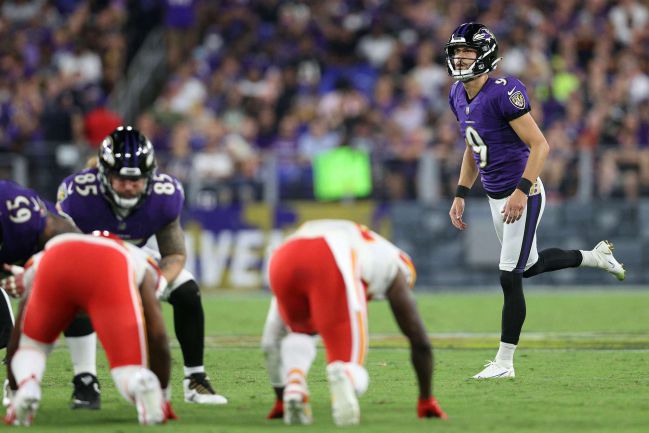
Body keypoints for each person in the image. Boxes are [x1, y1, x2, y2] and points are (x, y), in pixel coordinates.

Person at [445, 23, 626, 379]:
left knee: (509, 277)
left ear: (485, 55)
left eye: (467, 51)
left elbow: (541, 145)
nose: (460, 57)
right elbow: (472, 146)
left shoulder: (503, 91)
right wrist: (461, 192)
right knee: (526, 266)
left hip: (522, 193)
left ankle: (504, 363)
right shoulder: (456, 94)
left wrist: (521, 190)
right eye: (456, 51)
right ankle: (595, 257)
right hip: (497, 196)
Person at [56, 126, 227, 405]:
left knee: (187, 290)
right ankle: (85, 381)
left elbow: (173, 254)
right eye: (120, 178)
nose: (128, 186)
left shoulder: (165, 194)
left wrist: (158, 283)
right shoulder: (78, 196)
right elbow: (65, 253)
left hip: (137, 257)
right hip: (91, 261)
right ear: (103, 175)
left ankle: (196, 380)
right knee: (77, 295)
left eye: (136, 180)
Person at [263, 219, 447, 426]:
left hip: (283, 255)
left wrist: (279, 398)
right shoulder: (396, 267)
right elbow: (419, 338)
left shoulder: (362, 242)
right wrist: (426, 399)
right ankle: (345, 376)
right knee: (349, 364)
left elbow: (271, 342)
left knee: (300, 331)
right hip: (331, 257)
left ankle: (294, 386)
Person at [4, 231, 175, 426]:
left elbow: (17, 338)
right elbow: (158, 335)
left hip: (57, 258)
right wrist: (163, 395)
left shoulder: (41, 257)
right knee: (127, 368)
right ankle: (140, 382)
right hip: (111, 265)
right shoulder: (140, 259)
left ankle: (28, 386)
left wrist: (16, 389)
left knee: (32, 348)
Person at [0, 180, 81, 404]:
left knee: (70, 299)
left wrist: (35, 275)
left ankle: (85, 379)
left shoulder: (18, 210)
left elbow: (71, 247)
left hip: (48, 255)